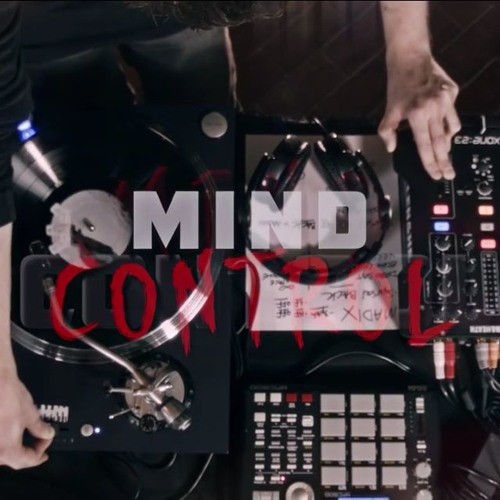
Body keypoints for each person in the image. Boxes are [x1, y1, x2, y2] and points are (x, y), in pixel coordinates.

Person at [0, 0, 460, 470]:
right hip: (42, 33)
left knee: (195, 99)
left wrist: (411, 56)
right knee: (80, 118)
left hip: (182, 24)